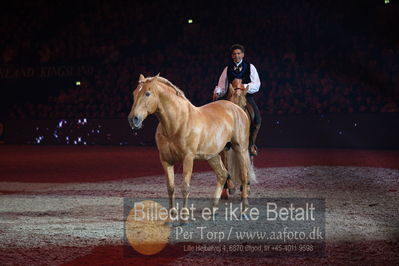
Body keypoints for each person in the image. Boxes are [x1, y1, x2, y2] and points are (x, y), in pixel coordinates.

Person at [214, 44, 262, 156]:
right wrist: (217, 92)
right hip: (231, 98)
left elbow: (257, 84)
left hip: (246, 97)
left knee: (257, 120)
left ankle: (251, 145)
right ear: (232, 56)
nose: (237, 55)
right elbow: (222, 86)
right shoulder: (227, 69)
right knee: (220, 119)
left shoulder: (250, 67)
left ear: (243, 54)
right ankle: (225, 143)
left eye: (239, 53)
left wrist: (242, 86)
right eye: (234, 54)